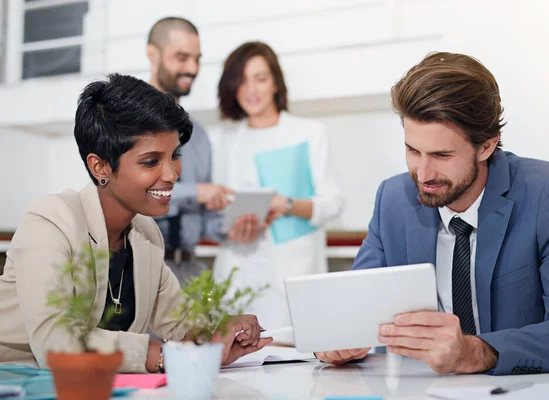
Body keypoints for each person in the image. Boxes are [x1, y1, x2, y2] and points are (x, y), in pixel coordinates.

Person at [316, 52, 549, 375]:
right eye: (412, 151)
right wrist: (337, 339)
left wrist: (474, 352)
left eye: (442, 155)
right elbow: (353, 311)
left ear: (486, 147)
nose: (422, 174)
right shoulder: (392, 200)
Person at [0, 74, 272, 372]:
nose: (171, 174)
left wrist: (220, 336)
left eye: (174, 156)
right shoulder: (51, 221)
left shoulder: (145, 234)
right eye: (151, 161)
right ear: (100, 166)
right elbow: (54, 343)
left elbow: (182, 324)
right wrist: (166, 356)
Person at [211, 42, 344, 339]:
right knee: (238, 366)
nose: (251, 90)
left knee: (294, 362)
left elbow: (332, 203)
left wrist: (284, 204)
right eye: (242, 81)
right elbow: (218, 210)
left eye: (260, 78)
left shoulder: (309, 132)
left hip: (293, 272)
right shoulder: (228, 140)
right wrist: (231, 227)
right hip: (240, 270)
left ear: (275, 83)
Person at [146, 17, 260, 282]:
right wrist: (197, 192)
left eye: (197, 59)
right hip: (137, 269)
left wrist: (233, 225)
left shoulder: (199, 137)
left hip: (189, 273)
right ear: (153, 54)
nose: (192, 68)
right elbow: (128, 194)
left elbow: (205, 221)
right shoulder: (126, 120)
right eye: (182, 57)